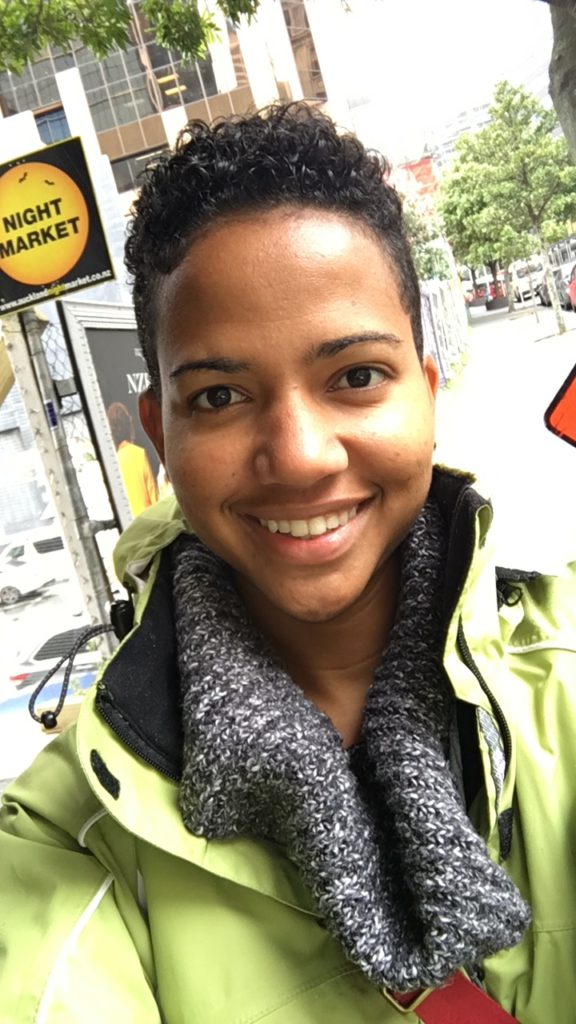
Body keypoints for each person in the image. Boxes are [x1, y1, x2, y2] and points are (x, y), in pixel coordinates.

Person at [1, 103, 575, 1024]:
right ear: (161, 435)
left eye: (356, 377)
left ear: (427, 393)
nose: (302, 455)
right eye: (220, 396)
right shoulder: (70, 836)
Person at [106, 400, 159, 518]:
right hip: (149, 520)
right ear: (128, 426)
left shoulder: (113, 462)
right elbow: (154, 497)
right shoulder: (139, 454)